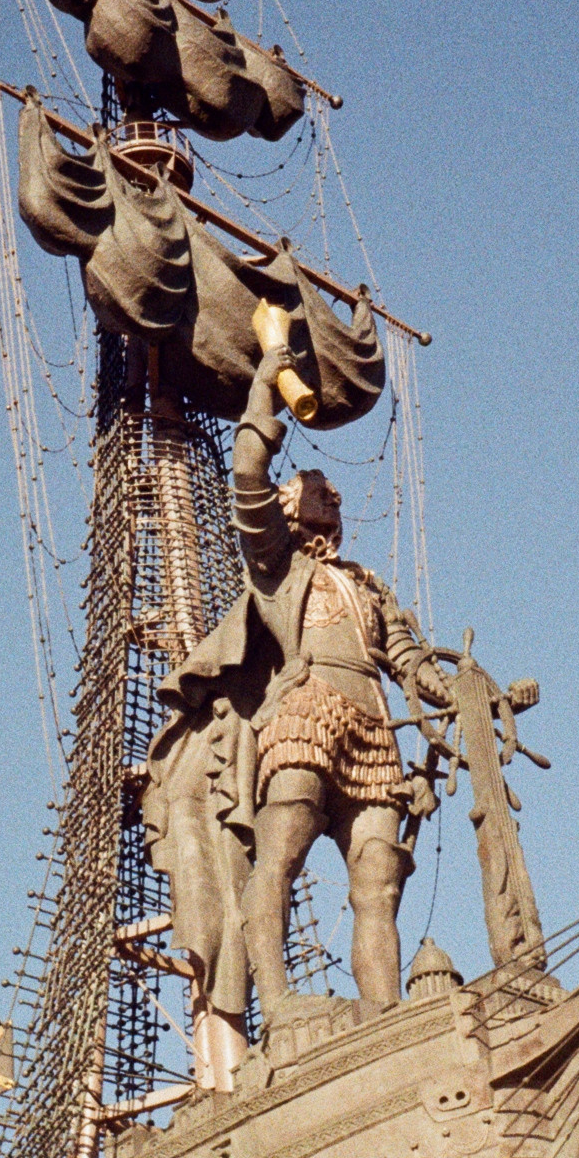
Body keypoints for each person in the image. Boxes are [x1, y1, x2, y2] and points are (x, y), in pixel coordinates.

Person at [144, 344, 449, 1047]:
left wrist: (456, 691)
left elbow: (407, 660)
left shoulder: (366, 584)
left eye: (332, 498)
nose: (330, 499)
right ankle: (277, 1005)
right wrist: (265, 389)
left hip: (375, 732)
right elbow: (246, 471)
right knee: (277, 859)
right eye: (318, 492)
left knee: (377, 884)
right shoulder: (277, 567)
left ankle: (382, 1024)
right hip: (306, 715)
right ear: (290, 510)